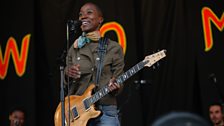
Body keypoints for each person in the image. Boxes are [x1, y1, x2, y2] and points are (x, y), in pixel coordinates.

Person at [64, 2, 124, 126]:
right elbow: (66, 83)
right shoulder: (74, 48)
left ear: (100, 19)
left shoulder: (113, 47)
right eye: (80, 14)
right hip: (79, 111)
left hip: (106, 109)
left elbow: (119, 79)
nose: (83, 17)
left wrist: (116, 85)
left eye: (89, 13)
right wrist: (67, 73)